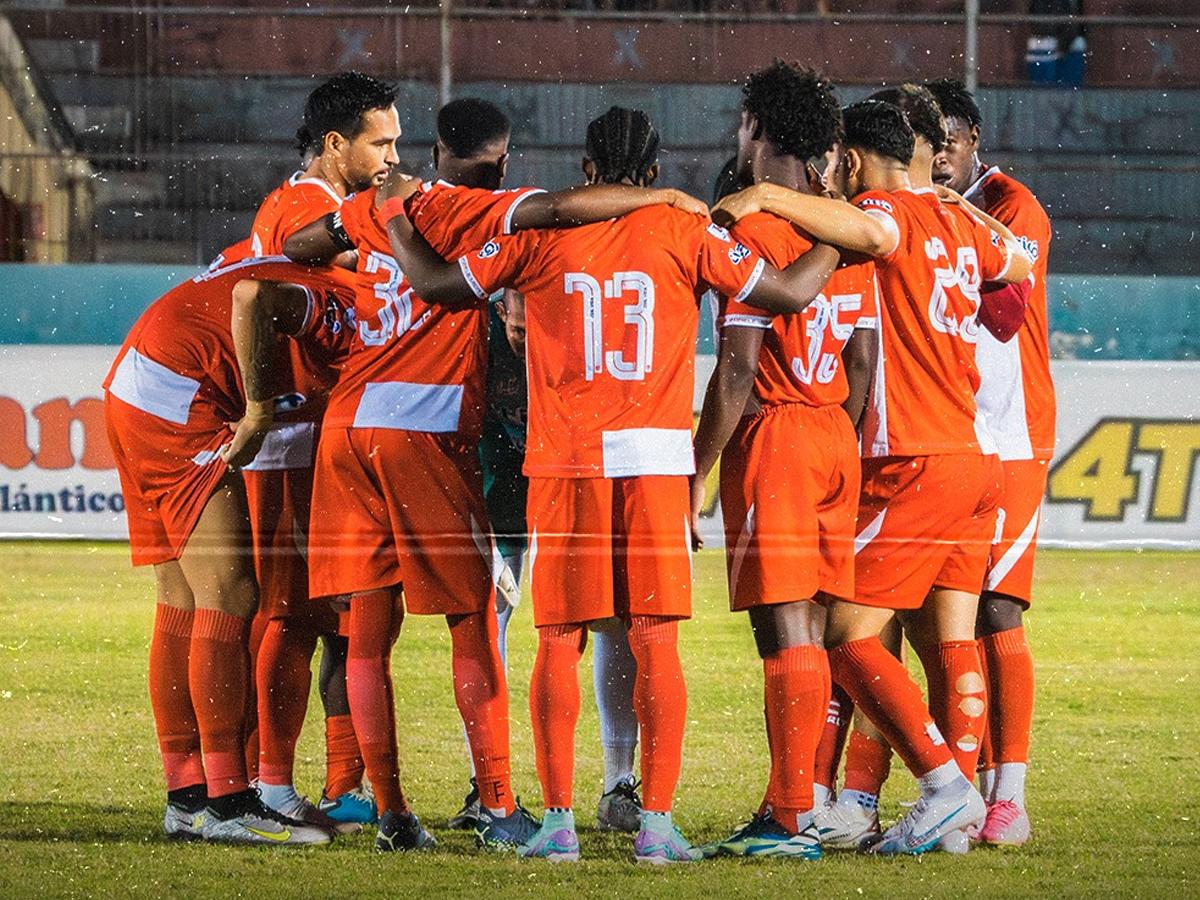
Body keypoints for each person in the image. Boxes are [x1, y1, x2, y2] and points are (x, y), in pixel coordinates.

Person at [383, 105, 841, 863]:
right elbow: (790, 294)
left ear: (588, 172)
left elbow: (434, 285)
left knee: (559, 640)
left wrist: (398, 222)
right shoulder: (688, 233)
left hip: (565, 461)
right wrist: (835, 227)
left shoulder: (541, 235)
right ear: (655, 175)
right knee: (655, 641)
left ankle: (559, 823)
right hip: (658, 462)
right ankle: (656, 826)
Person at [282, 97, 712, 853]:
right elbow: (563, 211)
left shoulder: (382, 203)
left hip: (351, 430)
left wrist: (369, 227)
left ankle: (389, 811)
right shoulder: (492, 212)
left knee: (367, 634)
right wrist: (661, 195)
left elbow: (298, 243)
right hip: (431, 424)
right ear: (502, 160)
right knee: (477, 622)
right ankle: (501, 802)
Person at [712, 98, 1032, 855]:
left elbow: (871, 229)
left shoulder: (886, 211)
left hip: (912, 455)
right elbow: (1021, 262)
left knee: (846, 637)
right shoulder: (953, 221)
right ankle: (940, 813)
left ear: (851, 162)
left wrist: (761, 194)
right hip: (971, 454)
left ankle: (944, 787)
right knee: (947, 636)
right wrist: (960, 204)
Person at [102, 253, 356, 846]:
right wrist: (263, 410)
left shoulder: (310, 253)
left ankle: (188, 797)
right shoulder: (348, 300)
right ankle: (228, 803)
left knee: (183, 598)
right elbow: (250, 299)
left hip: (140, 383)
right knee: (233, 592)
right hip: (179, 398)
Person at [691, 61, 877, 860]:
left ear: (758, 129)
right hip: (836, 430)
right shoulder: (843, 232)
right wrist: (841, 439)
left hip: (778, 437)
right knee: (820, 626)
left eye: (743, 123)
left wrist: (694, 475)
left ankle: (790, 816)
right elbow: (865, 361)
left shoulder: (755, 233)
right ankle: (796, 801)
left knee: (787, 628)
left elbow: (735, 367)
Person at [243, 69, 399, 832]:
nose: (393, 157)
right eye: (382, 142)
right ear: (337, 144)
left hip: (323, 435)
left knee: (333, 615)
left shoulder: (322, 206)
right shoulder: (307, 211)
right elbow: (382, 272)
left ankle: (341, 785)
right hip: (297, 439)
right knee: (293, 613)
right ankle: (268, 784)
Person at [929, 77, 1054, 847]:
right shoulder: (931, 210)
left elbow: (1003, 313)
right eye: (927, 142)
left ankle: (1011, 794)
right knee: (942, 616)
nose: (938, 154)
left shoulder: (1012, 204)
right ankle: (961, 787)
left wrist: (940, 215)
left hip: (1012, 437)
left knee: (996, 610)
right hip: (951, 432)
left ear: (973, 137)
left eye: (948, 139)